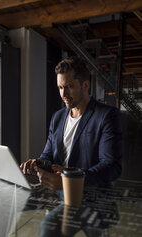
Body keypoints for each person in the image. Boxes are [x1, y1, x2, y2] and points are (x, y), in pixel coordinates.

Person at [20, 56, 122, 190]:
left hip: (94, 199)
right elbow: (48, 155)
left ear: (85, 85)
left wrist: (70, 179)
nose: (63, 94)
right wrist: (37, 164)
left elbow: (111, 167)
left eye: (69, 87)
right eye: (60, 87)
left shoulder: (107, 116)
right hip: (60, 197)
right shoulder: (57, 117)